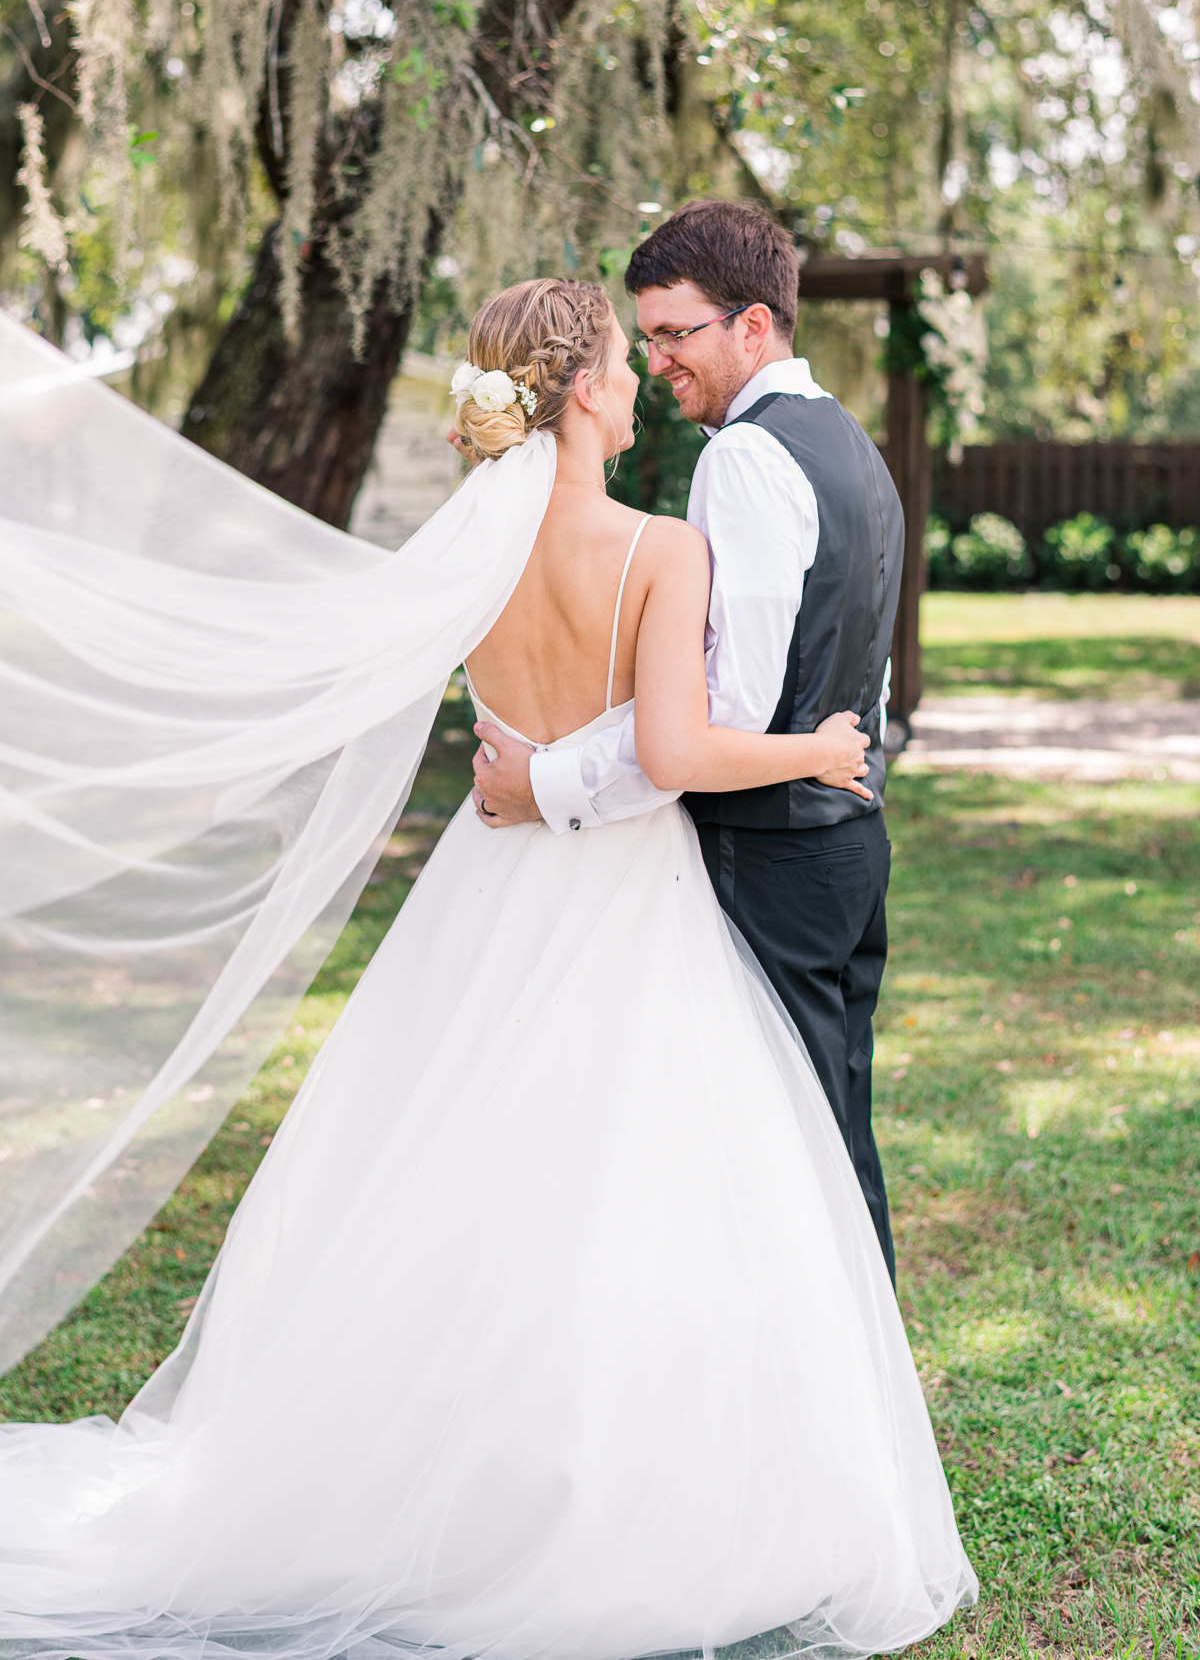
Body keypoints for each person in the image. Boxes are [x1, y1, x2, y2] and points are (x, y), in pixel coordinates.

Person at [0, 280, 975, 1658]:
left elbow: (514, 736)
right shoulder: (656, 547)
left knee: (460, 1170)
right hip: (625, 897)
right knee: (630, 1185)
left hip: (485, 885)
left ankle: (437, 1476)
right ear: (580, 391)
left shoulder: (470, 556)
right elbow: (682, 756)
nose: (643, 379)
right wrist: (820, 751)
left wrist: (532, 767)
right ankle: (624, 1486)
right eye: (625, 363)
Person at [471, 202, 903, 1281]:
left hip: (772, 848)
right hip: (845, 838)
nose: (658, 360)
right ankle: (862, 1383)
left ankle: (846, 1396)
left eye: (676, 335)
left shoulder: (745, 462)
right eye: (646, 339)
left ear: (752, 325)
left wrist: (546, 783)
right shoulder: (849, 444)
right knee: (827, 1124)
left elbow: (720, 722)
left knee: (787, 1146)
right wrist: (837, 755)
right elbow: (862, 664)